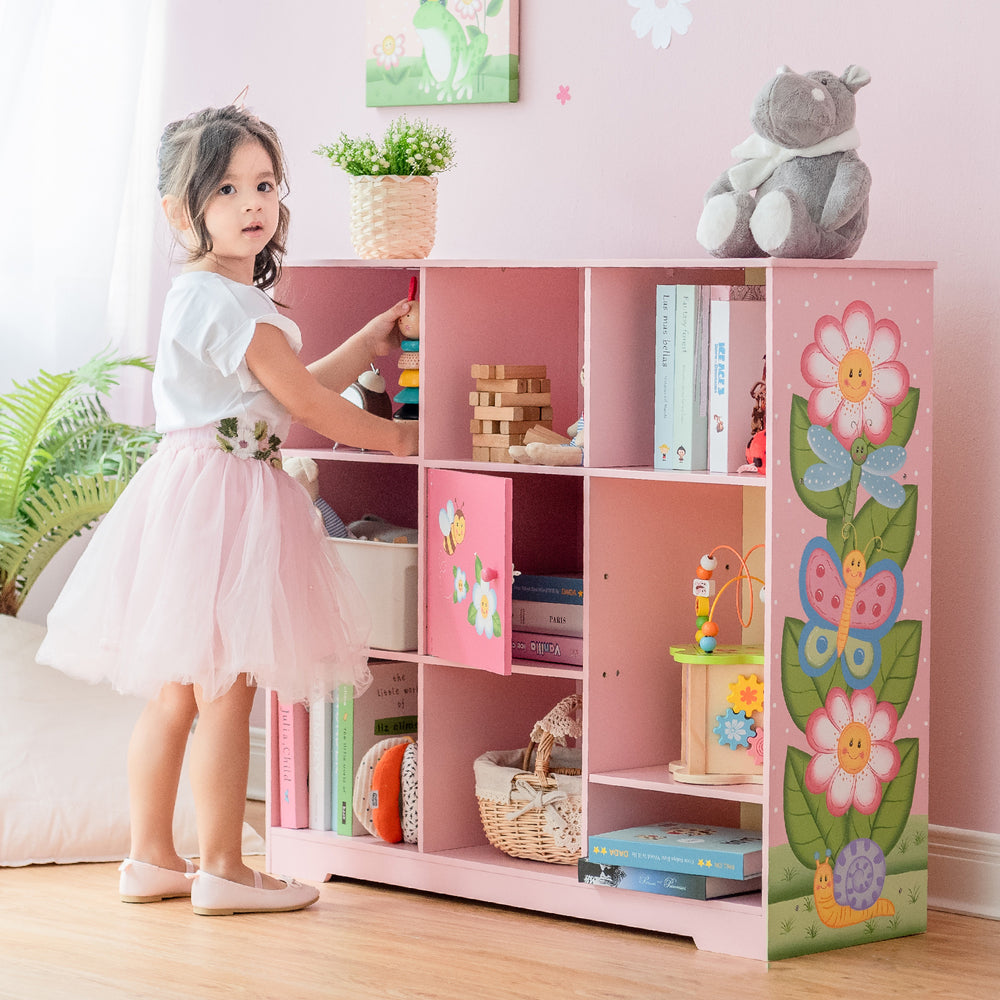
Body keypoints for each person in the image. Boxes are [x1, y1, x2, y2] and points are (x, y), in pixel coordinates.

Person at [36, 104, 418, 915]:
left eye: (265, 184)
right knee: (228, 687)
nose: (253, 203)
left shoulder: (204, 298)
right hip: (229, 502)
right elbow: (311, 404)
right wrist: (400, 438)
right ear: (184, 211)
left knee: (177, 690)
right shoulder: (239, 310)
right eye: (228, 189)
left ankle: (150, 858)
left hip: (188, 489)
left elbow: (286, 386)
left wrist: (366, 341)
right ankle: (224, 868)